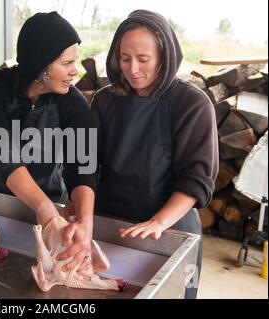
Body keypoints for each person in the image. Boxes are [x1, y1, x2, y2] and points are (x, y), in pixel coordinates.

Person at [90, 10, 219, 298]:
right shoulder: (104, 101)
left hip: (171, 231)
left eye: (143, 59)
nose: (132, 69)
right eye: (125, 58)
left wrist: (159, 222)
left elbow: (197, 178)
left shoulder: (192, 104)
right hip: (111, 227)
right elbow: (86, 164)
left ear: (165, 56)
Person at [0, 12, 97, 272]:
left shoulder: (73, 103)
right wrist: (45, 209)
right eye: (67, 63)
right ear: (42, 64)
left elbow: (82, 166)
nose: (76, 71)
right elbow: (3, 155)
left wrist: (85, 221)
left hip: (47, 209)